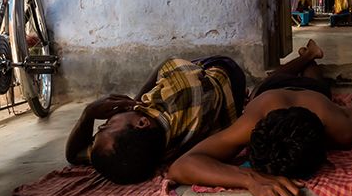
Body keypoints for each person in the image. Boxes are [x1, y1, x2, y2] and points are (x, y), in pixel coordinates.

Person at [168, 40, 352, 196]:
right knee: (274, 78)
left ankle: (310, 58)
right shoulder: (252, 123)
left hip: (312, 92)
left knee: (316, 80)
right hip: (270, 91)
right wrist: (248, 179)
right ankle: (308, 55)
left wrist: (345, 109)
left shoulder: (341, 130)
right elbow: (180, 167)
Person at [65, 56, 247, 185]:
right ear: (142, 123)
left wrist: (87, 116)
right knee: (196, 66)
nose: (105, 122)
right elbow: (167, 62)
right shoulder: (182, 89)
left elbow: (73, 155)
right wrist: (134, 102)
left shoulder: (139, 156)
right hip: (226, 72)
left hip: (215, 105)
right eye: (107, 125)